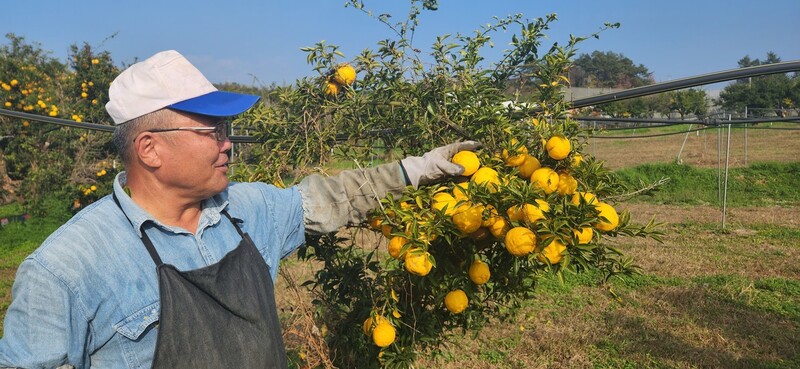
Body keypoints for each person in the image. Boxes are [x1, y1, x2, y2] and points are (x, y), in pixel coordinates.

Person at [0, 50, 479, 368]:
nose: (229, 144)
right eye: (213, 130)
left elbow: (335, 198)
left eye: (227, 128)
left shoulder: (247, 211)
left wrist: (418, 170)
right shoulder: (66, 269)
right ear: (149, 149)